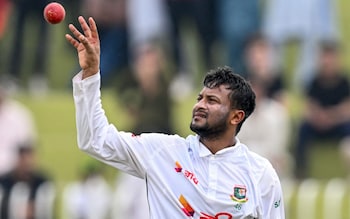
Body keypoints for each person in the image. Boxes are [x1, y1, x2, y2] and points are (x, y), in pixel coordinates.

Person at [66, 16, 285, 218]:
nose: (199, 105)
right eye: (200, 98)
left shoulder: (260, 173)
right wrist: (91, 74)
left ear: (236, 117)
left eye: (212, 101)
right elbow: (95, 140)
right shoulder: (163, 152)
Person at [294, 40, 350, 179]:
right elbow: (308, 105)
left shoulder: (343, 82)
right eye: (324, 57)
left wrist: (332, 116)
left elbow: (347, 108)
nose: (327, 62)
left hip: (338, 124)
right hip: (317, 124)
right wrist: (318, 116)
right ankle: (300, 172)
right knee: (303, 129)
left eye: (330, 57)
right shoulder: (314, 81)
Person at [0, 144, 54, 219]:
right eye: (23, 159)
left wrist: (34, 209)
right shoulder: (4, 181)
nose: (26, 163)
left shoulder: (41, 181)